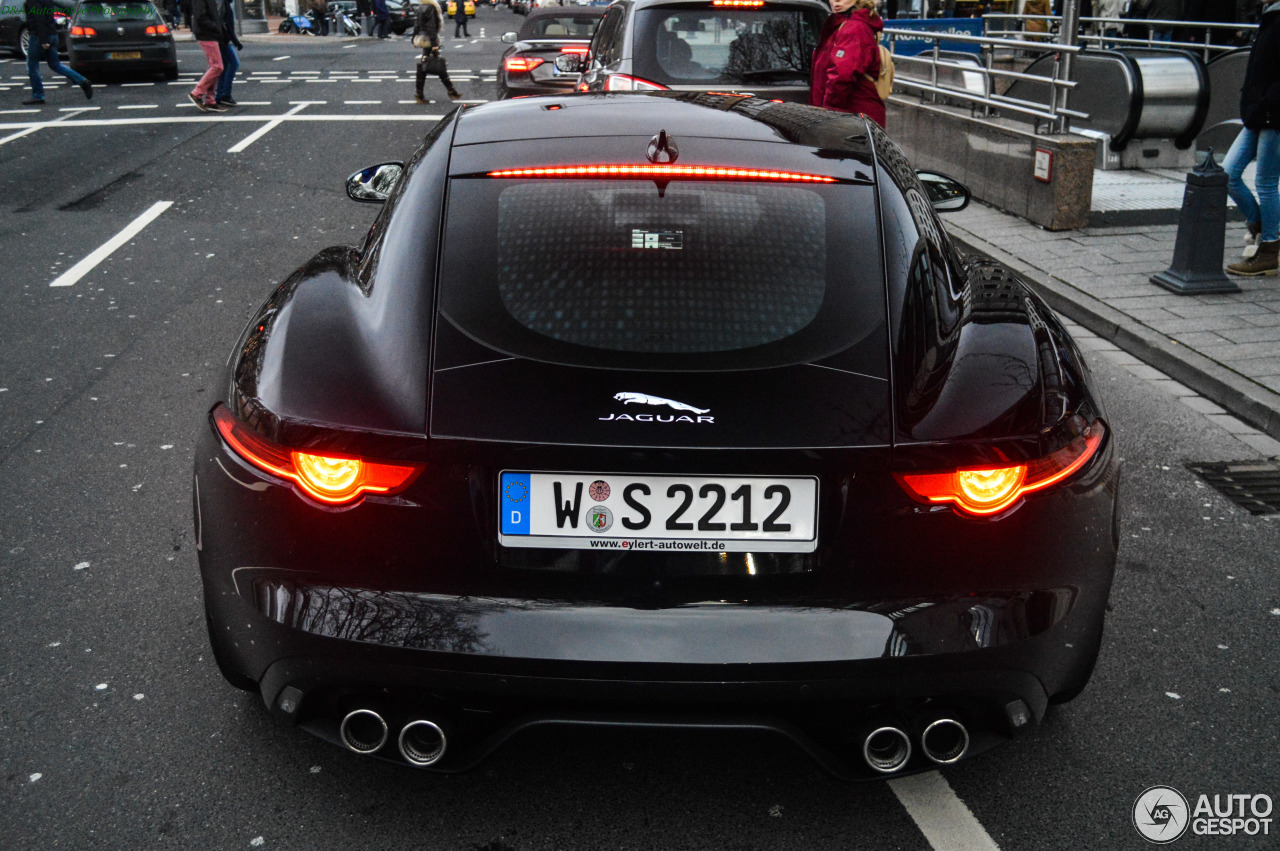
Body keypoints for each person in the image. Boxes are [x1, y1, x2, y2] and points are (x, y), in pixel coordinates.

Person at [1225, 1, 1280, 276]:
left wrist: (1269, 102)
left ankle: (1270, 249)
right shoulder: (1270, 14)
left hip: (1273, 113)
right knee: (1228, 173)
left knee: (1266, 182)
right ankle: (1264, 225)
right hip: (1259, 112)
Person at [809, 0, 884, 128]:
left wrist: (827, 113)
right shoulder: (845, 25)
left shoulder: (854, 28)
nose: (836, 0)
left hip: (851, 120)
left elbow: (841, 75)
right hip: (854, 117)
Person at [22, 0, 92, 106]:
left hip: (38, 36)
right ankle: (82, 81)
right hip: (52, 34)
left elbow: (39, 19)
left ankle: (38, 95)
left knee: (32, 65)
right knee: (55, 64)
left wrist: (44, 40)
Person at [413, 0, 460, 102]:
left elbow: (417, 24)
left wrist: (414, 38)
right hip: (430, 39)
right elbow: (431, 26)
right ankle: (420, 94)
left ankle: (451, 91)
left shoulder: (422, 7)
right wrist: (434, 44)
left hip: (424, 38)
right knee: (434, 65)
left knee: (430, 63)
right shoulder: (431, 7)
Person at [188, 0, 226, 112]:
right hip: (206, 34)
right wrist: (216, 27)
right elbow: (200, 17)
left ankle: (210, 100)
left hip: (210, 33)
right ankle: (197, 93)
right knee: (217, 67)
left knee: (214, 67)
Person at [215, 0, 243, 107]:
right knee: (233, 63)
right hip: (222, 39)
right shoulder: (222, 3)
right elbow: (224, 23)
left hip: (221, 38)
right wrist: (235, 41)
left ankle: (219, 95)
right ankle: (225, 94)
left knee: (224, 66)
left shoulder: (223, 2)